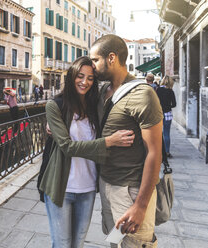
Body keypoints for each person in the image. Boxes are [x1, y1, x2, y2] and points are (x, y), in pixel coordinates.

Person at [40, 56, 135, 248]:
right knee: (62, 244)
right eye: (80, 76)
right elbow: (67, 147)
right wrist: (108, 142)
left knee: (78, 244)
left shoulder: (95, 107)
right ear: (72, 76)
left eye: (90, 78)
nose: (85, 82)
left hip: (88, 188)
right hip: (61, 187)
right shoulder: (55, 106)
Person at [90, 34, 163, 247]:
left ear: (111, 58)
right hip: (106, 184)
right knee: (116, 242)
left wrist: (140, 205)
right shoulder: (103, 91)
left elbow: (154, 153)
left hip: (130, 190)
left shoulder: (143, 95)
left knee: (133, 243)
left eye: (95, 61)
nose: (91, 66)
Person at [156, 75, 176, 158]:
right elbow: (174, 104)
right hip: (167, 114)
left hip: (159, 113)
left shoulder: (158, 90)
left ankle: (159, 152)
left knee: (158, 133)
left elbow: (155, 101)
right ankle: (167, 152)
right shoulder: (170, 91)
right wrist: (168, 107)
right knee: (166, 133)